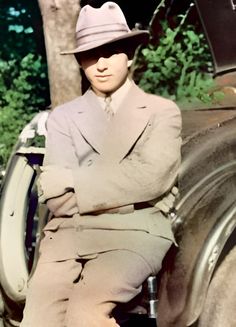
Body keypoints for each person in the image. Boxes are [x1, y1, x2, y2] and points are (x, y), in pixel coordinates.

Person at [20, 2, 182, 327]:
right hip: (68, 235)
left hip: (135, 233)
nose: (101, 65)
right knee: (38, 316)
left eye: (110, 52)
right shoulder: (64, 117)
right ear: (80, 62)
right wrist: (125, 197)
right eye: (90, 55)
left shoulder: (160, 111)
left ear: (130, 56)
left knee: (86, 312)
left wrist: (75, 181)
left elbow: (152, 179)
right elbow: (55, 195)